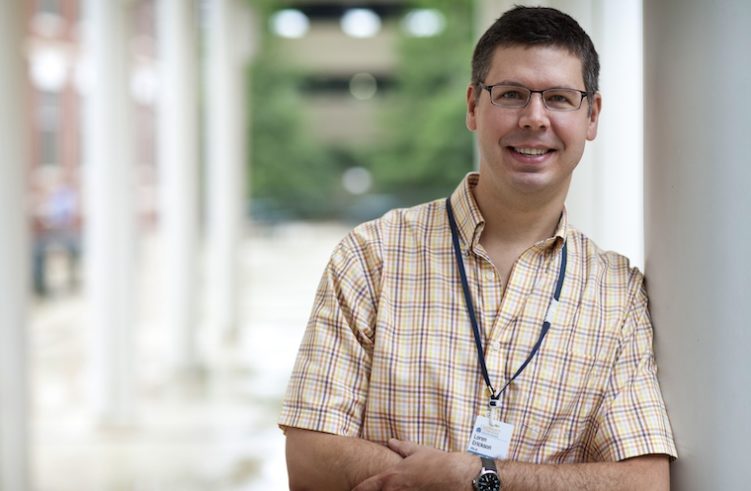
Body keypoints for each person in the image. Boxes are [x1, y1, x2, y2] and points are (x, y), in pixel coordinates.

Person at [279, 6, 677, 490]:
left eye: (559, 98)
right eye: (511, 95)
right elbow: (308, 457)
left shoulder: (618, 293)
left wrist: (477, 477)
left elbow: (644, 482)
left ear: (591, 115)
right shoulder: (372, 257)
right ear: (473, 106)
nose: (534, 118)